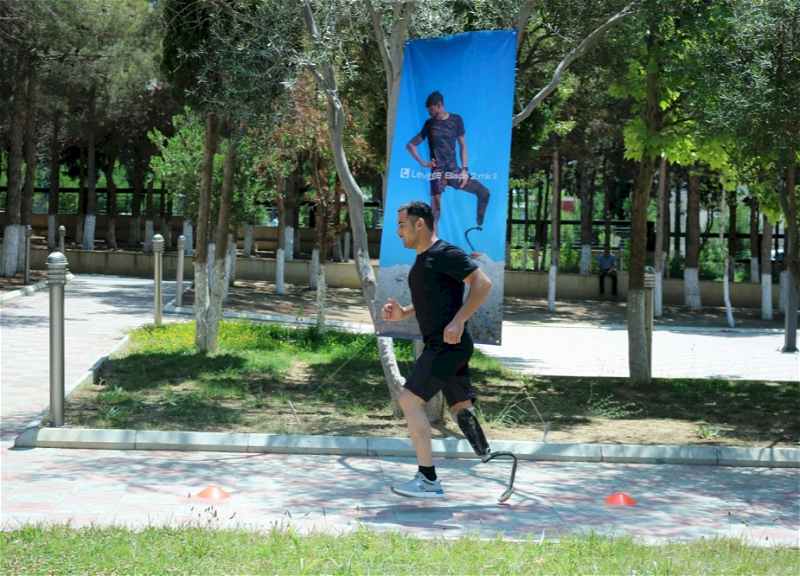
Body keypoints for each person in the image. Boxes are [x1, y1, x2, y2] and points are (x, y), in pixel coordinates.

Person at [381, 200, 493, 498]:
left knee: (408, 401)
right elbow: (433, 301)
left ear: (420, 224)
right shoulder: (423, 260)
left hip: (446, 344)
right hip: (446, 345)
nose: (398, 232)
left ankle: (428, 479)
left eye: (401, 225)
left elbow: (482, 283)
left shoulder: (445, 253)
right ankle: (491, 456)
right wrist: (403, 313)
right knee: (461, 409)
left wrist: (459, 320)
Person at [405, 91, 491, 236]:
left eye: (431, 110)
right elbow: (410, 145)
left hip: (454, 170)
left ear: (439, 105)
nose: (430, 113)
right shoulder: (429, 124)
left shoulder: (456, 120)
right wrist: (423, 163)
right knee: (435, 213)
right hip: (437, 172)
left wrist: (464, 170)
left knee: (484, 192)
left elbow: (463, 146)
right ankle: (433, 245)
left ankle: (479, 224)